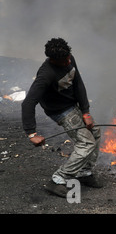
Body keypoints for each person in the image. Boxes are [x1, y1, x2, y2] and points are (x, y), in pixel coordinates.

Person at [22, 38, 102, 197]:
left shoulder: (69, 58)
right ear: (53, 60)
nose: (68, 62)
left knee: (95, 133)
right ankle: (59, 179)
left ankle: (84, 172)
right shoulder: (46, 74)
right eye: (63, 61)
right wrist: (31, 133)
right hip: (60, 110)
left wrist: (85, 112)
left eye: (68, 58)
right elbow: (28, 103)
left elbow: (78, 83)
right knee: (86, 143)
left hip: (73, 105)